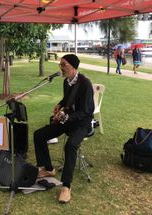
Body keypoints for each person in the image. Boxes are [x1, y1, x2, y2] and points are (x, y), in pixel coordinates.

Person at [34, 54, 94, 204]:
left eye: (63, 65)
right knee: (39, 135)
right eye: (60, 65)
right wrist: (60, 105)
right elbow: (67, 99)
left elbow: (87, 111)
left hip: (82, 123)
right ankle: (48, 169)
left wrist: (67, 117)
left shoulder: (85, 83)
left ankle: (66, 186)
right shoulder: (67, 82)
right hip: (68, 119)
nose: (61, 68)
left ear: (73, 66)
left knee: (71, 145)